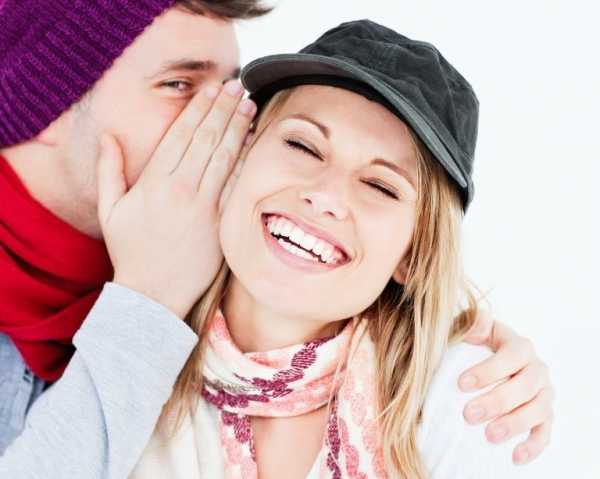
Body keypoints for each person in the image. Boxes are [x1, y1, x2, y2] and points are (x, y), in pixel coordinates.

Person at [0, 2, 551, 478]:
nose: (226, 123)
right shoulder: (145, 322)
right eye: (179, 85)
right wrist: (148, 301)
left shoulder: (456, 398)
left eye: (230, 91)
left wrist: (474, 356)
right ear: (48, 101)